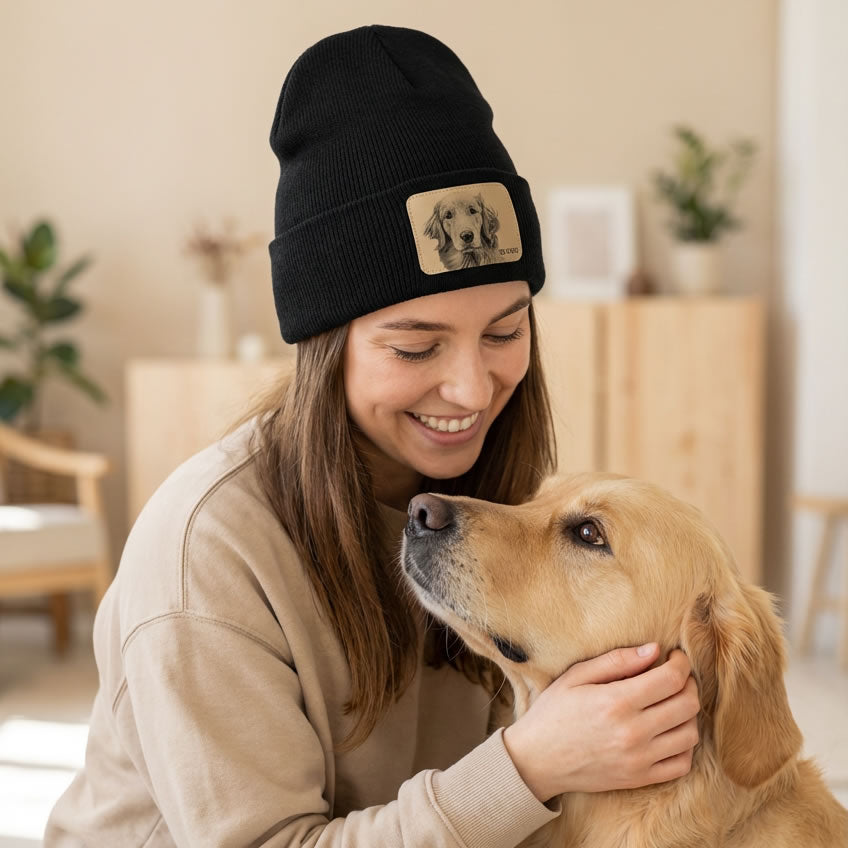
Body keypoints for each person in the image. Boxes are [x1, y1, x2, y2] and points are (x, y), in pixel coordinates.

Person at [45, 24, 700, 847]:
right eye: (416, 346)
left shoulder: (487, 501)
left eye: (504, 331)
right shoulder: (204, 554)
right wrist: (530, 766)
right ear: (327, 347)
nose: (471, 388)